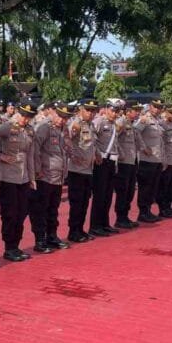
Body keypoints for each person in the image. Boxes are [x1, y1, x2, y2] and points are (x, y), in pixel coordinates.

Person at [0, 99, 37, 261]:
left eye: (29, 117)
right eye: (24, 115)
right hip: (8, 177)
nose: (25, 119)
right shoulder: (7, 127)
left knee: (21, 213)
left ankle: (16, 246)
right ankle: (9, 247)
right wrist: (2, 156)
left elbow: (30, 156)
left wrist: (32, 177)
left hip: (23, 177)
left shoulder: (30, 130)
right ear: (18, 112)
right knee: (10, 213)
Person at [31, 102, 72, 250]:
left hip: (58, 176)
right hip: (45, 176)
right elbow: (35, 148)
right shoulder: (44, 127)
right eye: (60, 116)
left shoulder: (63, 129)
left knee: (53, 208)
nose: (62, 120)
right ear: (53, 112)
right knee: (41, 209)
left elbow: (66, 149)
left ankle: (52, 235)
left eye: (66, 118)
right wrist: (37, 169)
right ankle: (40, 239)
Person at [65, 98, 98, 242]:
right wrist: (72, 155)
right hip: (76, 170)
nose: (91, 113)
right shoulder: (76, 123)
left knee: (85, 201)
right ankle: (73, 231)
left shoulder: (90, 125)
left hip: (88, 169)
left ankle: (80, 229)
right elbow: (66, 140)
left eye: (93, 111)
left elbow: (91, 144)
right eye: (88, 110)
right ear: (81, 110)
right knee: (77, 203)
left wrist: (96, 154)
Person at [89, 100, 121, 236]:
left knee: (108, 195)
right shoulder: (99, 122)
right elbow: (92, 139)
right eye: (112, 110)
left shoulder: (114, 125)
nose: (114, 114)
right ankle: (95, 226)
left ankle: (104, 223)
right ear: (107, 109)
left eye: (117, 111)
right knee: (100, 195)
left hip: (111, 161)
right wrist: (96, 153)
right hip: (101, 162)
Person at [134, 99, 165, 223]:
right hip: (147, 159)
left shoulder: (158, 121)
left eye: (159, 107)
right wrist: (143, 147)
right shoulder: (145, 119)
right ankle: (143, 212)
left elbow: (161, 141)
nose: (157, 109)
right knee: (145, 187)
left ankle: (148, 210)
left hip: (157, 159)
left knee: (153, 187)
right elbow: (135, 131)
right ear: (151, 107)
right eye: (155, 106)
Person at [113, 102, 140, 229]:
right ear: (128, 111)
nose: (138, 112)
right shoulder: (121, 122)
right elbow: (114, 139)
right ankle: (120, 217)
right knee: (123, 191)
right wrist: (121, 153)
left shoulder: (131, 124)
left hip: (132, 161)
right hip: (124, 162)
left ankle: (125, 216)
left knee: (129, 191)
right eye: (135, 110)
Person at [157, 104, 172, 218]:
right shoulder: (162, 124)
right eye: (171, 112)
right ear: (165, 112)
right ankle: (163, 208)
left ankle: (169, 207)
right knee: (165, 186)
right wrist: (163, 159)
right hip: (167, 159)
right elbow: (161, 144)